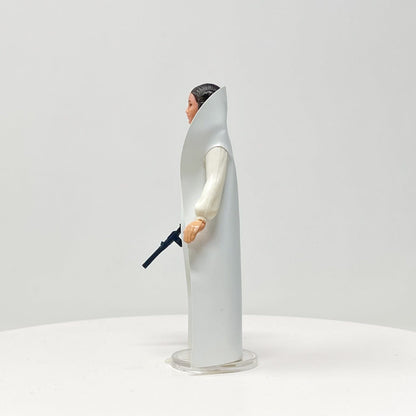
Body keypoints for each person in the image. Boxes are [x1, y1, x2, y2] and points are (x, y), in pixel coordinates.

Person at [178, 83, 243, 368]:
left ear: (203, 108)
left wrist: (201, 217)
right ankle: (207, 346)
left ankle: (216, 349)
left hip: (211, 233)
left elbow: (215, 183)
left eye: (191, 105)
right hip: (203, 231)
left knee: (212, 286)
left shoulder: (216, 145)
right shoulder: (210, 142)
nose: (186, 111)